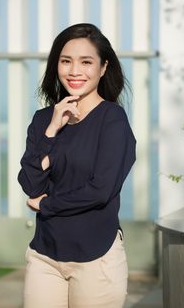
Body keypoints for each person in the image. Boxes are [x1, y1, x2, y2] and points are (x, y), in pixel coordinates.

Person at [17, 23, 136, 308]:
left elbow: (100, 190)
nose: (74, 71)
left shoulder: (112, 120)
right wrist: (52, 131)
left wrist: (46, 205)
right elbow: (30, 183)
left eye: (86, 62)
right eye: (66, 61)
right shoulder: (43, 119)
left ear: (103, 67)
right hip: (45, 255)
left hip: (96, 257)